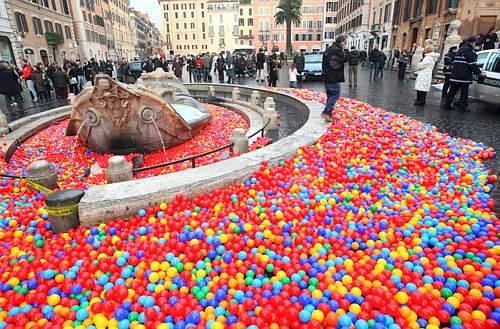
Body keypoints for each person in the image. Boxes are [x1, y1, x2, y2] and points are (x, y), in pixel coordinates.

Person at [444, 36, 484, 112]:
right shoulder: (469, 52)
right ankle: (462, 107)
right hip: (464, 76)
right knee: (464, 92)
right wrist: (479, 73)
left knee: (452, 91)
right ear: (473, 43)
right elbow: (472, 64)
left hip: (455, 74)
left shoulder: (460, 50)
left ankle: (447, 105)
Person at [321, 35, 350, 122]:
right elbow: (346, 58)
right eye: (345, 42)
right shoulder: (337, 50)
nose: (345, 44)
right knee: (335, 95)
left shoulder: (329, 49)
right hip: (333, 76)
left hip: (327, 76)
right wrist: (345, 49)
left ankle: (328, 114)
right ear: (342, 43)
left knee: (330, 96)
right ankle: (326, 113)